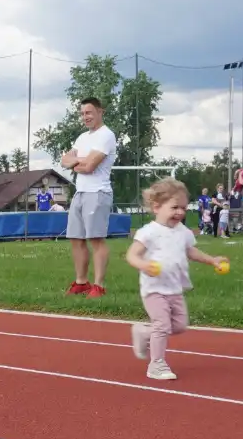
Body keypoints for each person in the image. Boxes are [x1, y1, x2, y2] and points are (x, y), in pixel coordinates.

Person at [126, 178, 226, 381]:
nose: (180, 212)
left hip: (175, 289)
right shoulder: (149, 232)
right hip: (154, 289)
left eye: (183, 208)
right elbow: (131, 255)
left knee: (179, 325)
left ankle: (144, 333)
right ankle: (156, 364)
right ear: (156, 207)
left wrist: (212, 260)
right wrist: (144, 265)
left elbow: (191, 251)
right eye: (174, 207)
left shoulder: (183, 232)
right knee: (162, 324)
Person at [61, 98, 118, 295]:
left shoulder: (106, 135)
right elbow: (64, 160)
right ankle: (81, 282)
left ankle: (99, 285)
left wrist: (76, 163)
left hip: (98, 193)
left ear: (100, 112)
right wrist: (79, 161)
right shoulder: (82, 138)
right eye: (83, 113)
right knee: (76, 239)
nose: (85, 117)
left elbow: (89, 167)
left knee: (96, 239)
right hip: (80, 192)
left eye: (89, 112)